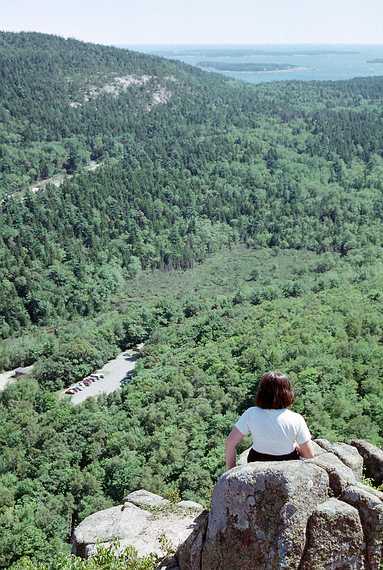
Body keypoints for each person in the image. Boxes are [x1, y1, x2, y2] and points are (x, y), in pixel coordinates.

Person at [225, 371, 315, 469]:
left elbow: (230, 442)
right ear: (287, 393)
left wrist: (231, 470)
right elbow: (309, 455)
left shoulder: (251, 413)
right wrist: (297, 448)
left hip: (256, 462)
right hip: (287, 465)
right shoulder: (296, 419)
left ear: (261, 392)